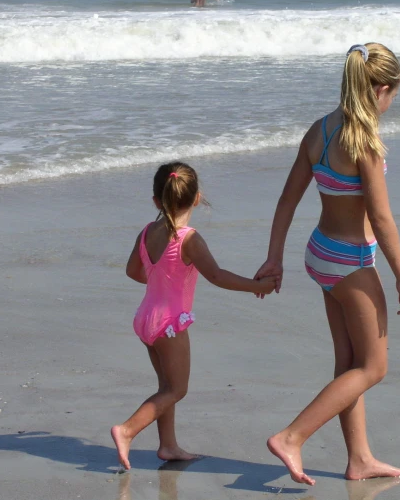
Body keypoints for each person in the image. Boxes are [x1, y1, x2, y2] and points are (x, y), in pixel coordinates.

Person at [254, 43, 400, 486]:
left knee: (348, 363)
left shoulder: (321, 129)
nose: (390, 103)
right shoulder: (363, 142)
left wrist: (274, 256)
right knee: (374, 367)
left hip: (319, 254)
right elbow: (381, 218)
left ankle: (359, 458)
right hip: (349, 262)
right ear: (381, 89)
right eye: (392, 95)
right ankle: (292, 436)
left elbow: (288, 199)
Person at [111, 161, 277, 470]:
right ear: (197, 198)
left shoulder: (147, 232)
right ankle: (127, 430)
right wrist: (257, 286)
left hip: (146, 318)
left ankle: (168, 445)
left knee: (165, 386)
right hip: (170, 324)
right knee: (177, 389)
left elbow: (134, 271)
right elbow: (216, 275)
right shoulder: (189, 238)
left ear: (156, 201)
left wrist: (163, 281)